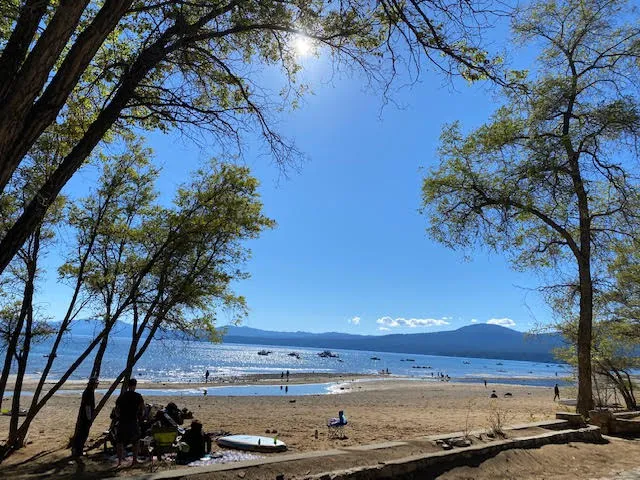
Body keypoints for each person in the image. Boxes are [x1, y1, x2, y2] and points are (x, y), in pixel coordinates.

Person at [115, 378, 145, 466]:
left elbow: (116, 410)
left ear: (128, 386)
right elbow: (143, 409)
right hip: (133, 421)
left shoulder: (122, 396)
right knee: (136, 441)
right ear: (135, 386)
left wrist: (119, 416)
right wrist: (141, 417)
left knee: (120, 441)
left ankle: (119, 461)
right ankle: (134, 460)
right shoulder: (138, 396)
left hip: (122, 420)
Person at [71, 377, 99, 466]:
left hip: (83, 416)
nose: (97, 385)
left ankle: (76, 450)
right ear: (93, 384)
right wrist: (89, 418)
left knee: (81, 433)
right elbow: (87, 407)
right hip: (85, 417)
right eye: (96, 384)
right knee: (83, 434)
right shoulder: (89, 393)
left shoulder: (88, 391)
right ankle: (78, 451)